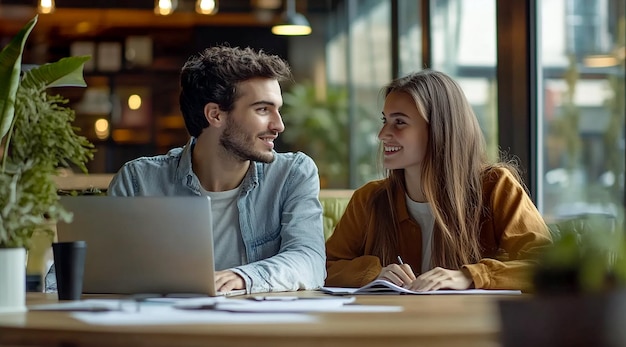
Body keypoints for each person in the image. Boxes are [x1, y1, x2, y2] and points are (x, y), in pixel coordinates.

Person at [108, 46, 326, 294]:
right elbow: (104, 270)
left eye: (278, 109)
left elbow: (309, 260)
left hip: (257, 326)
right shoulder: (139, 181)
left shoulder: (292, 174)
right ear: (215, 115)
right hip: (166, 325)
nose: (279, 125)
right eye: (263, 109)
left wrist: (242, 278)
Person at [325, 70, 552, 293]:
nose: (383, 133)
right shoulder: (369, 199)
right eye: (385, 120)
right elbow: (323, 266)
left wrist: (469, 276)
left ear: (439, 129)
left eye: (400, 122)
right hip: (391, 327)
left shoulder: (496, 187)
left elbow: (547, 266)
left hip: (468, 327)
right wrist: (373, 273)